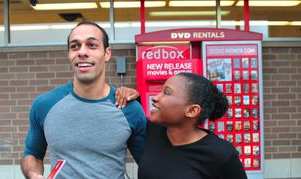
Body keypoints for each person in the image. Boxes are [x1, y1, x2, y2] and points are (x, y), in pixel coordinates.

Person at [20, 21, 147, 179]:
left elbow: (151, 166)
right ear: (69, 55)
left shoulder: (129, 108)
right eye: (75, 46)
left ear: (107, 53)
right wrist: (33, 174)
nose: (82, 52)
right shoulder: (45, 105)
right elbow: (32, 154)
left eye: (92, 45)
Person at [138, 72, 247, 179]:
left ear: (192, 110)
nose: (155, 97)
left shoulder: (222, 154)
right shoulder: (153, 131)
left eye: (166, 92)